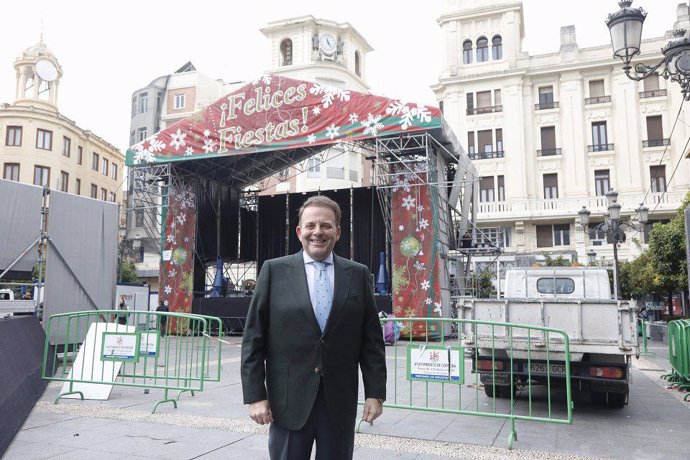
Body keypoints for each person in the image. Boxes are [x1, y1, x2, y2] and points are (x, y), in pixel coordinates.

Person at [241, 195, 387, 460]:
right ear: (299, 231)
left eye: (326, 225)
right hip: (287, 403)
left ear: (338, 231)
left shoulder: (357, 274)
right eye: (310, 226)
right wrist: (255, 396)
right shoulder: (274, 271)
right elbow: (254, 338)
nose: (317, 232)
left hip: (338, 402)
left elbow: (371, 341)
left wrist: (375, 393)